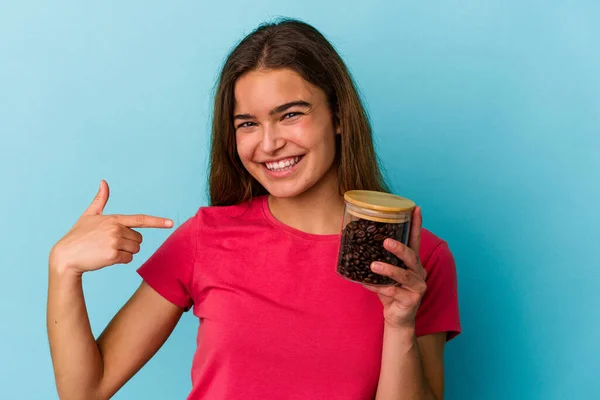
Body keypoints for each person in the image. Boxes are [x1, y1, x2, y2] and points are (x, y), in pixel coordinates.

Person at [47, 18, 461, 400]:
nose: (269, 144)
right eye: (247, 123)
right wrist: (63, 268)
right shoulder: (204, 237)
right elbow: (85, 390)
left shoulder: (414, 257)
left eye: (291, 115)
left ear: (337, 116)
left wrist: (399, 324)